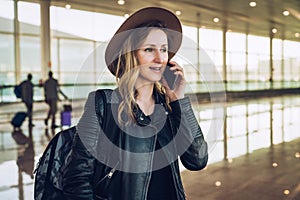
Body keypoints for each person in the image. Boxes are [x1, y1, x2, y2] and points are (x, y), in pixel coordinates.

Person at [63, 7, 208, 200]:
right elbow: (76, 179)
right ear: (131, 54)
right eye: (149, 49)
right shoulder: (103, 104)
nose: (160, 58)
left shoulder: (169, 107)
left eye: (164, 50)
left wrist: (179, 100)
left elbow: (197, 160)